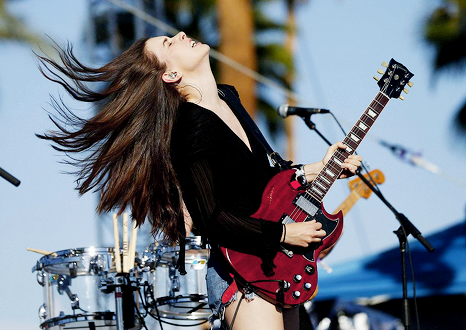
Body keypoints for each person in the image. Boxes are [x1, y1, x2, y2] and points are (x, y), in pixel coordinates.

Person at [36, 32, 362, 330]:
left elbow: (263, 178)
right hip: (243, 276)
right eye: (168, 44)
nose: (179, 35)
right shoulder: (192, 124)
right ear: (171, 75)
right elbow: (211, 219)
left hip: (275, 269)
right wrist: (285, 232)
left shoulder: (228, 97)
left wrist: (319, 167)